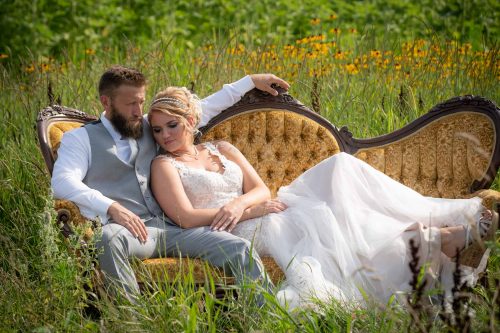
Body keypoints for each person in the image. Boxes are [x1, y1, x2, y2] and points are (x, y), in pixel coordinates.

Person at [148, 86, 498, 309]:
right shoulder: (164, 166)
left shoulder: (221, 148)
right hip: (231, 231)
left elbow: (261, 190)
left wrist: (243, 203)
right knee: (321, 224)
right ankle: (429, 239)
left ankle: (435, 229)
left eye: (172, 126)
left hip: (264, 210)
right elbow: (184, 217)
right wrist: (241, 212)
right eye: (157, 130)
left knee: (340, 169)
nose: (165, 136)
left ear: (192, 120)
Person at [51, 65, 291, 302]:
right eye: (130, 104)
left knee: (238, 247)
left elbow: (199, 110)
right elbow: (62, 182)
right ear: (107, 102)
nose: (138, 111)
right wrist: (110, 207)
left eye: (141, 102)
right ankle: (132, 320)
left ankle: (265, 318)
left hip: (174, 230)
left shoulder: (150, 126)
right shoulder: (80, 139)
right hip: (129, 231)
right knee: (107, 238)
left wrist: (249, 81)